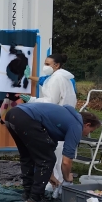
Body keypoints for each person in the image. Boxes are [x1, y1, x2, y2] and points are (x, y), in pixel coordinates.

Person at [5, 102, 101, 202]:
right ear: (87, 125)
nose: (87, 134)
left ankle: (28, 193)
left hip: (12, 115)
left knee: (28, 156)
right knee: (48, 160)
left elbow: (46, 151)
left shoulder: (63, 119)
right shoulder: (76, 125)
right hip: (26, 118)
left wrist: (50, 176)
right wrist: (67, 178)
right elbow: (66, 161)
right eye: (90, 131)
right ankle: (36, 197)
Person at [21, 53, 77, 191]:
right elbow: (43, 80)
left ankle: (54, 185)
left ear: (56, 65)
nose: (44, 66)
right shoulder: (60, 76)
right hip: (62, 117)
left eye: (47, 64)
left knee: (56, 153)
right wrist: (29, 77)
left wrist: (32, 100)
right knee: (58, 152)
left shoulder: (57, 78)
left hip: (58, 119)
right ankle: (59, 183)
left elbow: (50, 102)